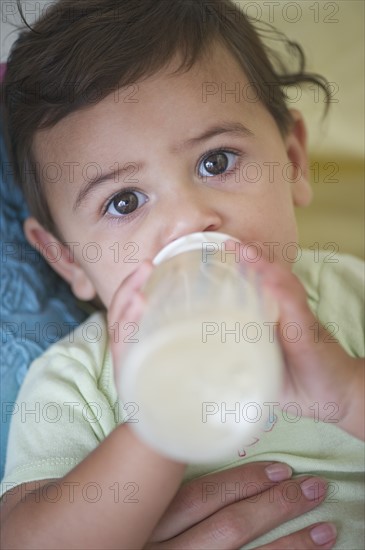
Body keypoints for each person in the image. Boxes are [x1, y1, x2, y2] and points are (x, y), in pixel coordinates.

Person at [0, 1, 364, 548]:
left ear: (291, 162)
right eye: (124, 201)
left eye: (216, 162)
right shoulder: (76, 379)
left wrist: (348, 394)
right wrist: (158, 427)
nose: (190, 217)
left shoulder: (349, 293)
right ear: (67, 258)